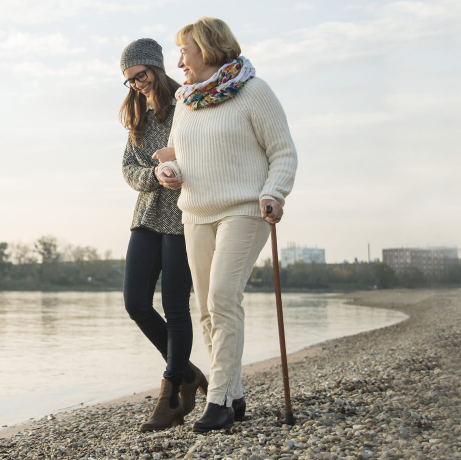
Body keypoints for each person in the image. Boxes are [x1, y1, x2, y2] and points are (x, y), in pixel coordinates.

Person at [155, 16, 298, 432]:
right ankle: (233, 394)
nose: (178, 61)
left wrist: (274, 193)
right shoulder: (186, 100)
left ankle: (216, 403)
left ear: (208, 47)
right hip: (195, 212)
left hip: (244, 209)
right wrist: (170, 170)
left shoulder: (253, 91)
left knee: (221, 298)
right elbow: (184, 154)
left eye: (184, 50)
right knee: (204, 310)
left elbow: (283, 152)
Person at [115, 38, 206, 432]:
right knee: (135, 303)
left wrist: (177, 165)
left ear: (157, 66)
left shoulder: (188, 104)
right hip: (147, 216)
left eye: (141, 75)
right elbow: (128, 170)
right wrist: (153, 174)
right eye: (130, 81)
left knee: (175, 307)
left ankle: (170, 394)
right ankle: (188, 374)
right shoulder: (137, 116)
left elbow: (204, 150)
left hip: (183, 217)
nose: (138, 84)